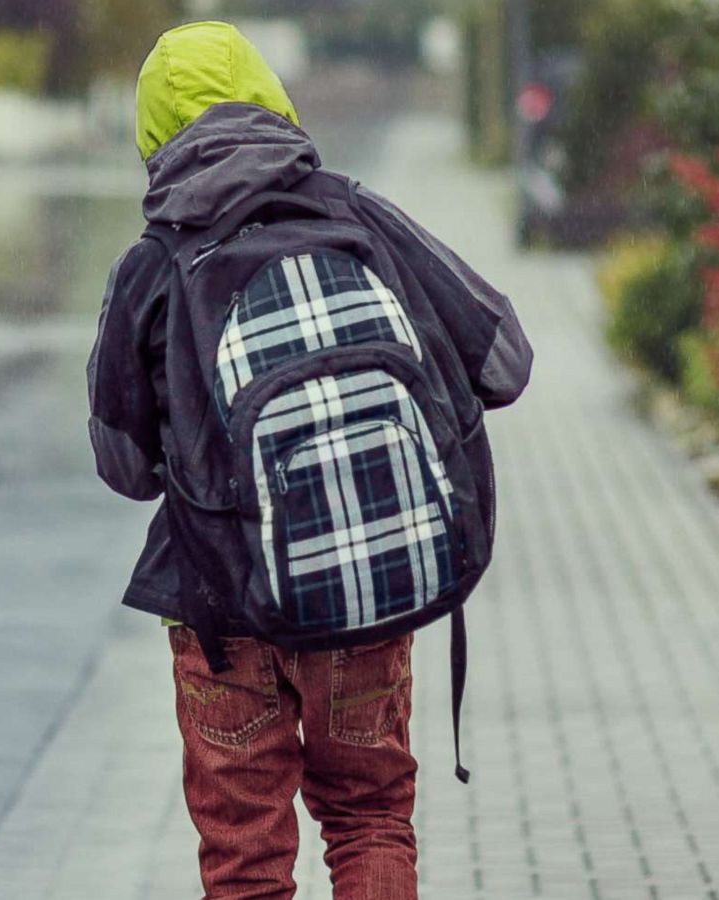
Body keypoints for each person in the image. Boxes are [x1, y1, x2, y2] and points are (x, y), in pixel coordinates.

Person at [86, 21, 532, 900]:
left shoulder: (152, 266)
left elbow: (125, 467)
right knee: (369, 820)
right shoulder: (354, 213)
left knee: (246, 861)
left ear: (151, 137)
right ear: (268, 93)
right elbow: (505, 360)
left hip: (220, 614)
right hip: (360, 595)